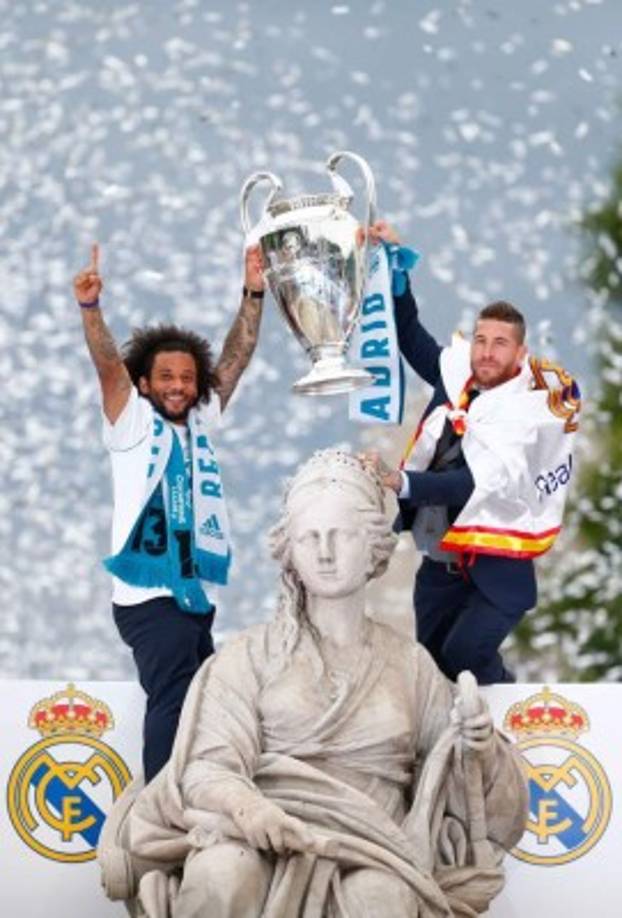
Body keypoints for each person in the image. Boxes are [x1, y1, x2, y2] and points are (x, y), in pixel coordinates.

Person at [98, 450, 528, 918]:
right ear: (290, 552)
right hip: (256, 829)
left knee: (381, 899)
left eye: (340, 536)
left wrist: (478, 747)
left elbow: (460, 782)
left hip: (372, 844)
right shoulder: (248, 656)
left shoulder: (411, 666)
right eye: (309, 538)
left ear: (373, 549)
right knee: (223, 874)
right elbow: (206, 768)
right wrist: (251, 811)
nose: (324, 552)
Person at [74, 242, 266, 782]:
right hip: (145, 595)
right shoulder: (129, 421)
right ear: (144, 383)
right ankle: (161, 807)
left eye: (186, 378)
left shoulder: (203, 419)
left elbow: (237, 356)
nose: (178, 387)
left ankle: (193, 792)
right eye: (166, 378)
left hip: (191, 592)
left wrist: (253, 291)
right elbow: (108, 366)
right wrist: (92, 311)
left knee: (204, 701)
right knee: (176, 695)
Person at [361, 221, 580, 686]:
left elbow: (472, 483)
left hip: (493, 577)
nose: (486, 352)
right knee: (432, 678)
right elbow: (411, 338)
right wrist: (397, 279)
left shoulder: (525, 412)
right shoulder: (458, 379)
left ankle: (510, 739)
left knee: (464, 661)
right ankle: (465, 753)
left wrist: (403, 483)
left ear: (520, 353)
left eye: (499, 343)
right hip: (437, 568)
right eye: (481, 340)